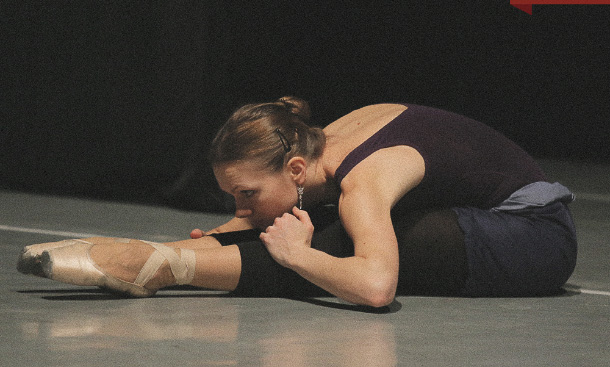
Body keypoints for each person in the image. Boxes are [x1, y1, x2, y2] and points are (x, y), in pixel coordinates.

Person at [17, 98, 577, 307]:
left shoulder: (363, 180)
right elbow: (281, 209)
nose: (241, 208)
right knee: (303, 228)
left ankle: (163, 267)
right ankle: (157, 253)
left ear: (294, 170)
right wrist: (226, 235)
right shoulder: (315, 146)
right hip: (477, 212)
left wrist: (297, 255)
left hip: (537, 237)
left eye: (247, 195)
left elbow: (376, 287)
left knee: (332, 245)